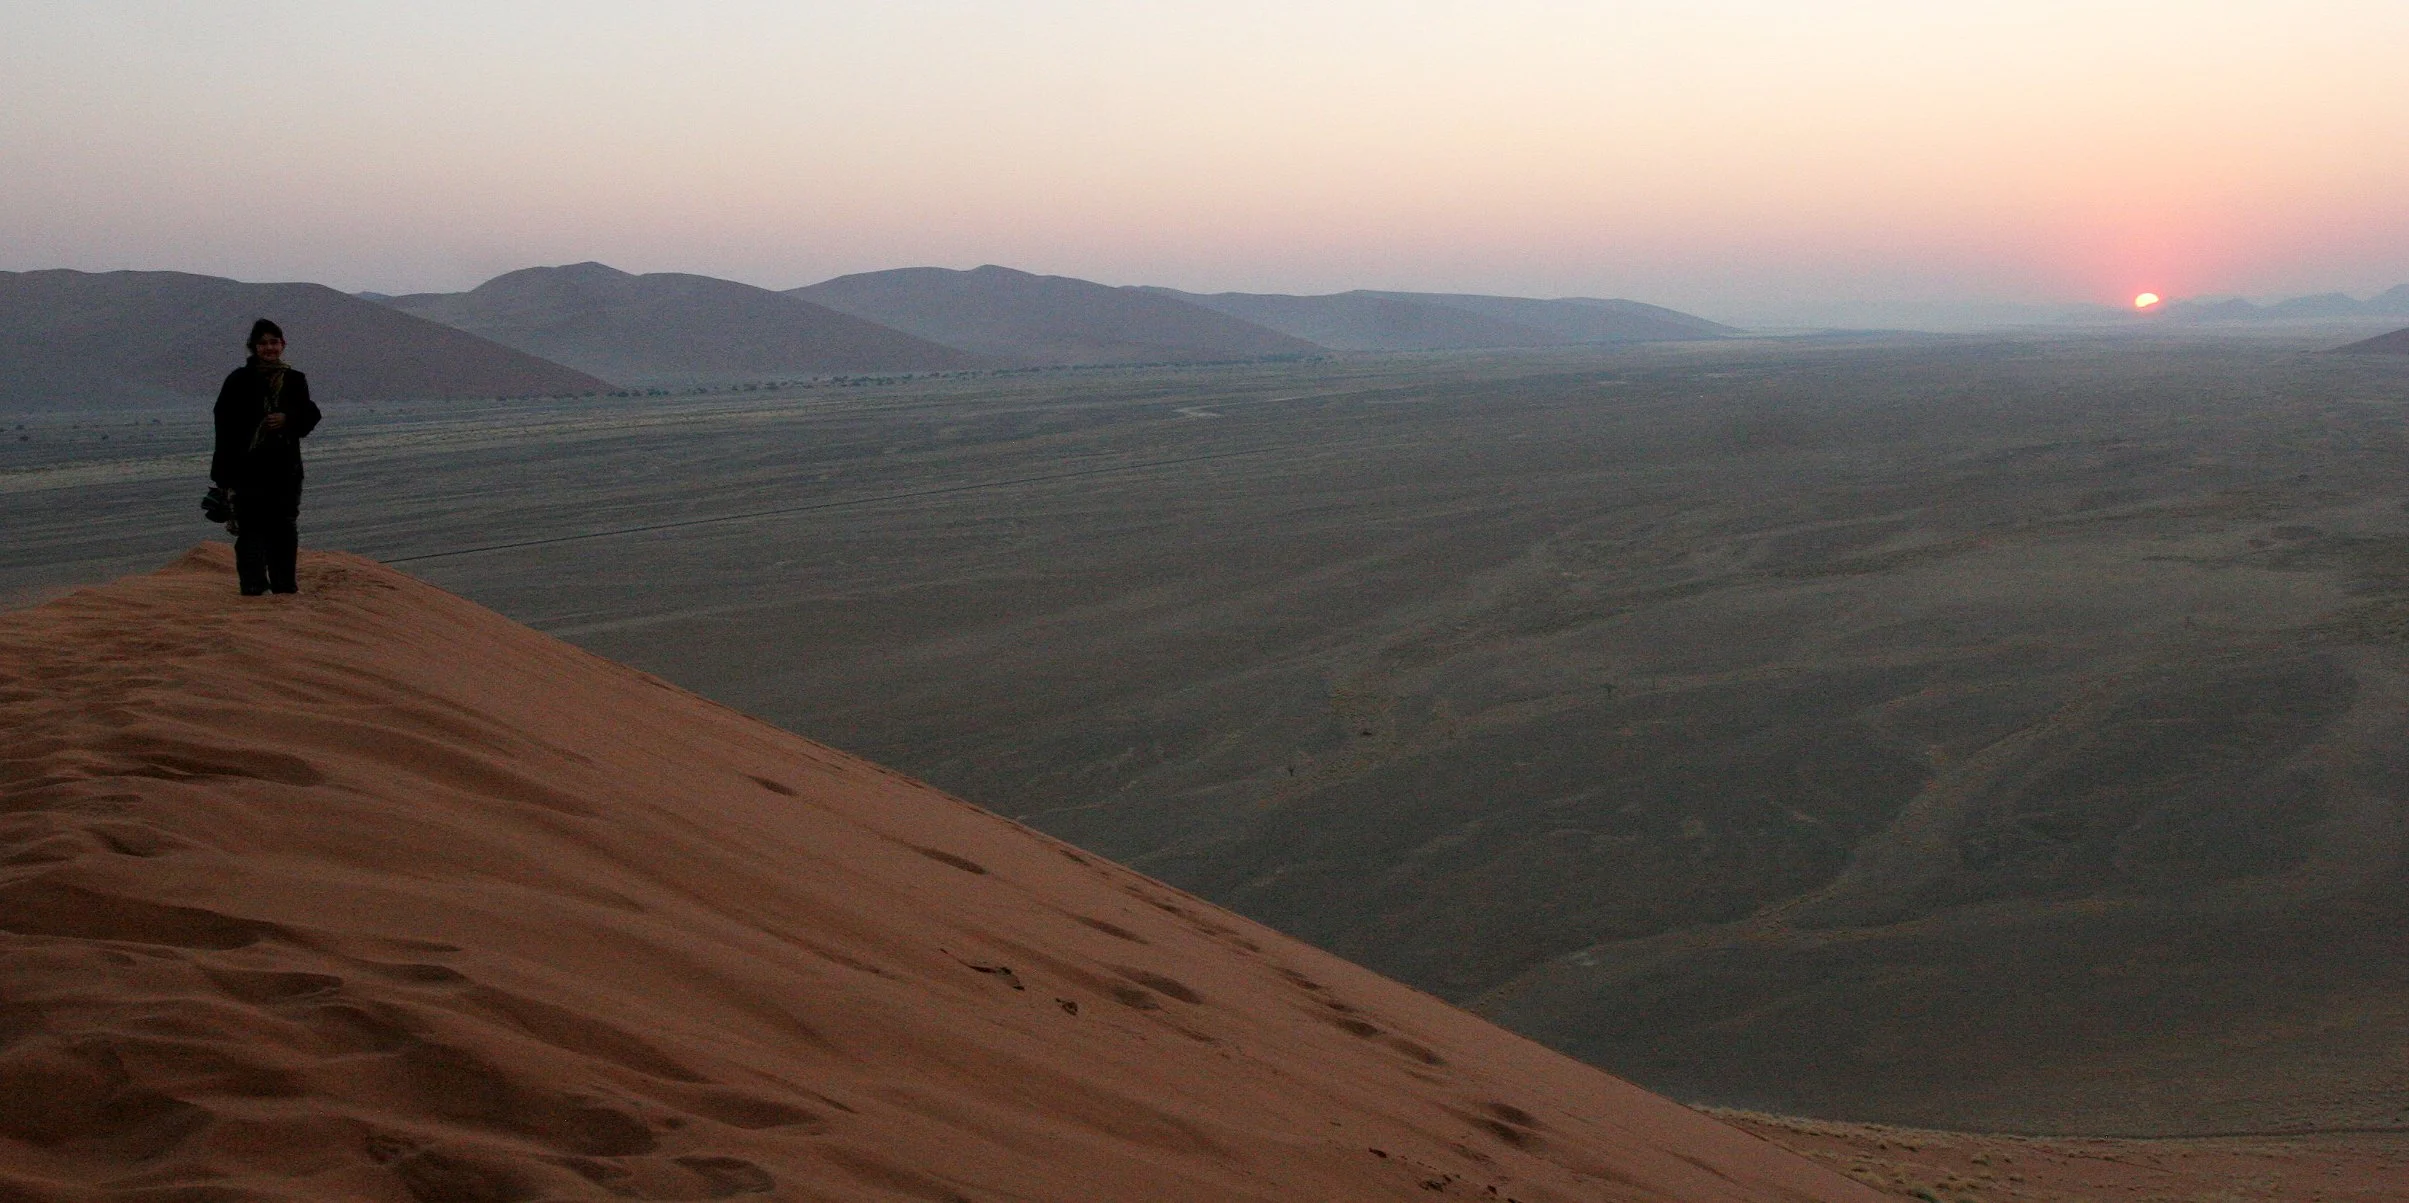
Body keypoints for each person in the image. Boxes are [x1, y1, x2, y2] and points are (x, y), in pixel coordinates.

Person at [210, 319, 321, 595]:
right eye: (263, 343)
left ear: (283, 345)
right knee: (250, 530)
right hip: (247, 469)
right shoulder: (239, 380)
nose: (269, 348)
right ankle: (253, 589)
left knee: (283, 528)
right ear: (253, 347)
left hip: (284, 469)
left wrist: (287, 419)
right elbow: (223, 425)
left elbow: (310, 414)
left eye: (274, 342)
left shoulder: (295, 379)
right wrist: (223, 477)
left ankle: (285, 588)